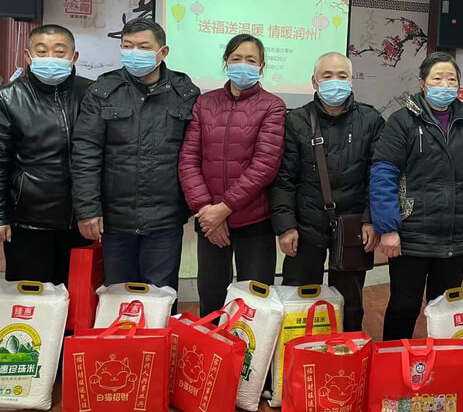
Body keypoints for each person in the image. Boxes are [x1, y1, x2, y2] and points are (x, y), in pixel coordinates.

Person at [370, 51, 463, 340]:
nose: (445, 85)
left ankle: (441, 363)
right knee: (404, 306)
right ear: (422, 83)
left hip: (455, 231)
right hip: (412, 232)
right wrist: (388, 228)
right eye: (438, 78)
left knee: (445, 308)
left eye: (451, 79)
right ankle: (394, 360)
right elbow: (383, 174)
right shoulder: (402, 121)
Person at [71, 18, 199, 292]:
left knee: (161, 298)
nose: (134, 52)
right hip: (116, 218)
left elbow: (194, 155)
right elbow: (85, 153)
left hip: (165, 218)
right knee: (119, 299)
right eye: (128, 46)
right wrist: (88, 210)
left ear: (163, 52)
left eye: (143, 47)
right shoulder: (103, 91)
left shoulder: (185, 93)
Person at [270, 52, 384, 332]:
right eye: (327, 76)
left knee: (350, 304)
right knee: (298, 301)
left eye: (342, 76)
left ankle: (348, 354)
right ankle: (298, 354)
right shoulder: (296, 120)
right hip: (306, 226)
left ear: (351, 80)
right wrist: (285, 226)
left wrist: (371, 219)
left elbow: (377, 176)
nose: (335, 82)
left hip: (353, 225)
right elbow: (284, 178)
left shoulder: (370, 120)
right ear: (314, 81)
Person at [179, 34, 285, 316]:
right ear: (226, 61)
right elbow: (188, 158)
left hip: (255, 221)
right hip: (209, 221)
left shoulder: (272, 105)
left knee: (255, 305)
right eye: (237, 58)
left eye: (251, 60)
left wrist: (223, 209)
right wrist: (206, 210)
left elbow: (265, 164)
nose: (243, 65)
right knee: (211, 299)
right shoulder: (204, 103)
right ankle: (212, 345)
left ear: (261, 66)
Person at [0, 25, 91, 284]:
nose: (50, 58)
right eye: (42, 51)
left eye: (59, 52)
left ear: (74, 57)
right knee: (32, 301)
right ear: (28, 56)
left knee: (78, 301)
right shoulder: (8, 98)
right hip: (28, 222)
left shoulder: (92, 94)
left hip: (82, 221)